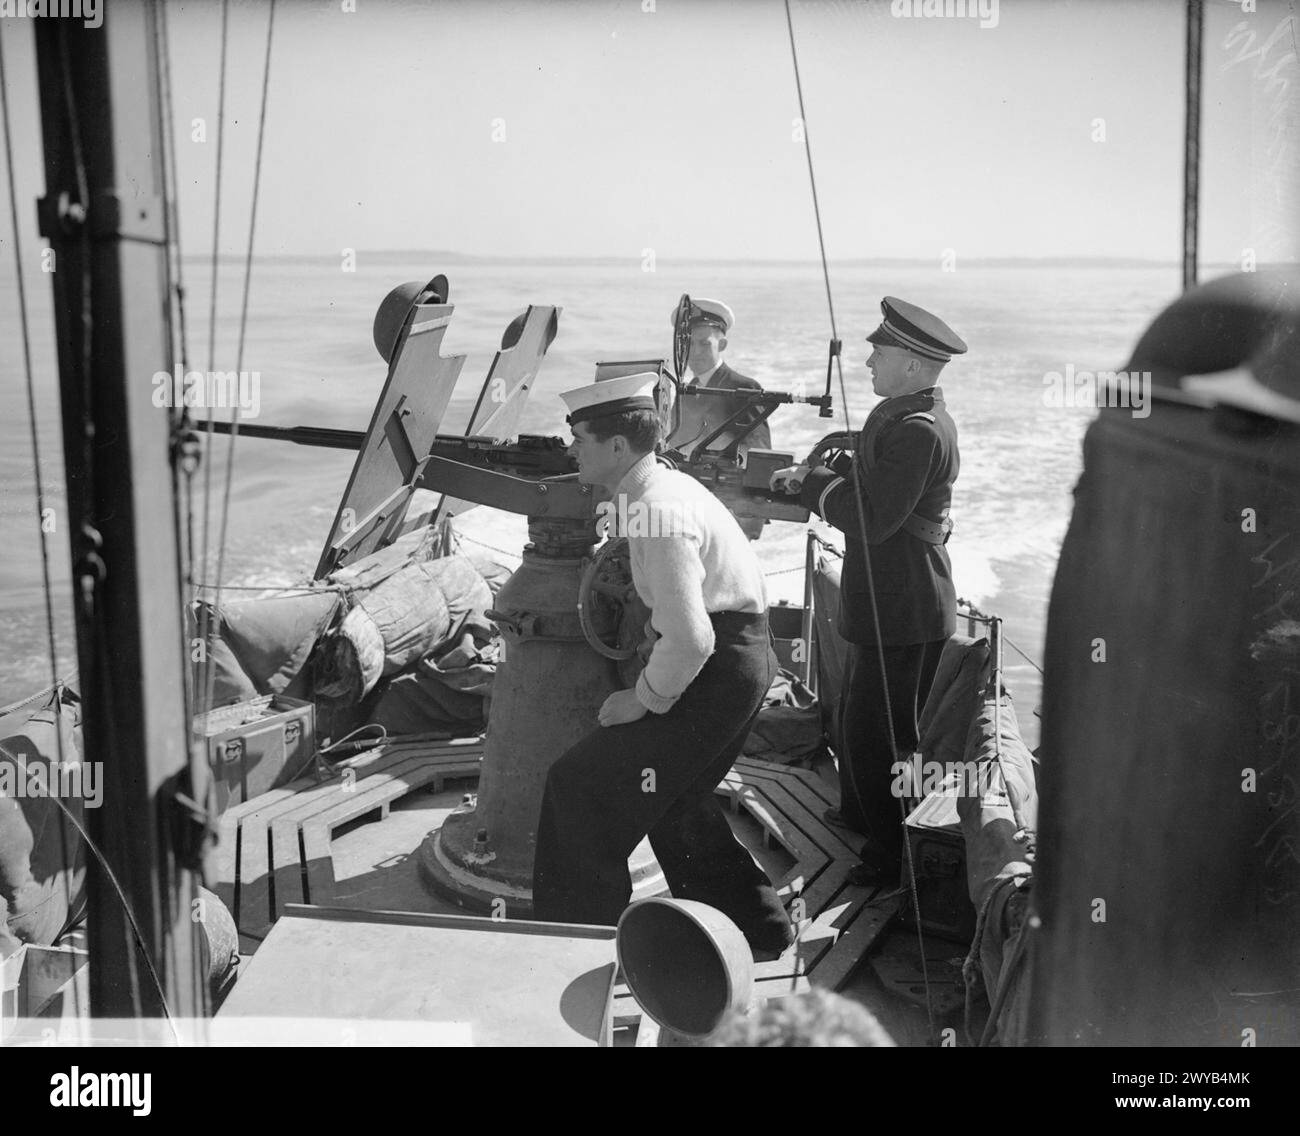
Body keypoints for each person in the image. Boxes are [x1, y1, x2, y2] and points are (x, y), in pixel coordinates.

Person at [532, 371, 794, 958]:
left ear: (618, 448)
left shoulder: (657, 512)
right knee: (673, 797)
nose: (571, 448)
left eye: (580, 438)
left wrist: (644, 700)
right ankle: (758, 928)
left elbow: (693, 637)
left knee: (578, 789)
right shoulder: (658, 491)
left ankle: (570, 946)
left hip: (715, 668)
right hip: (742, 657)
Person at [771, 297, 965, 885]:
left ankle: (888, 857)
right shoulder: (900, 418)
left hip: (906, 607)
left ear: (911, 364)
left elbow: (877, 519)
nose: (868, 363)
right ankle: (860, 812)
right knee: (859, 719)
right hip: (884, 602)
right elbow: (881, 462)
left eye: (878, 353)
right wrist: (846, 443)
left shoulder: (921, 432)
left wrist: (816, 483)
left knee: (887, 737)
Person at [665, 297, 772, 457]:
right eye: (689, 344)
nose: (695, 352)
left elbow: (760, 454)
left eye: (704, 344)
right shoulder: (686, 392)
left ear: (722, 345)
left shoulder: (744, 389)